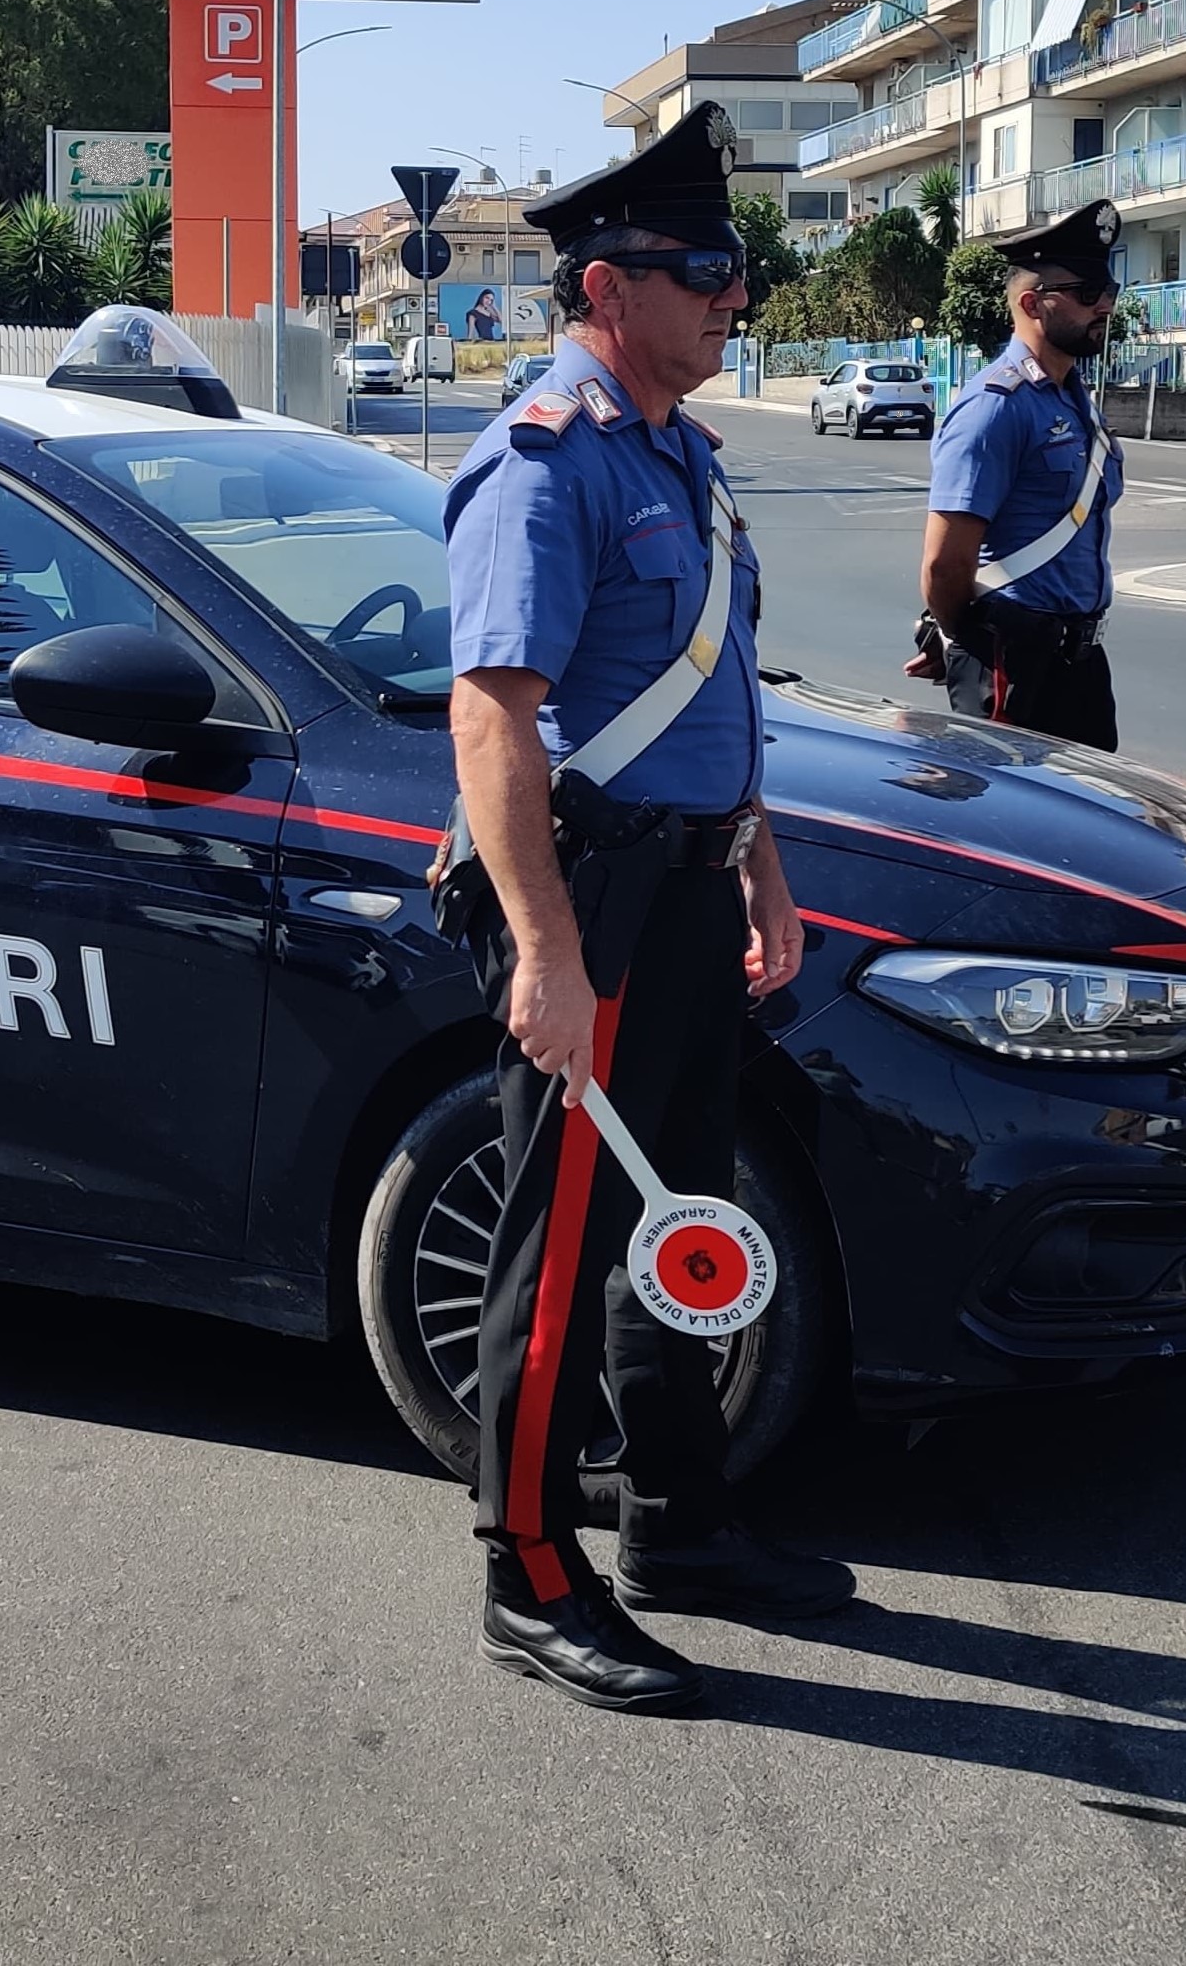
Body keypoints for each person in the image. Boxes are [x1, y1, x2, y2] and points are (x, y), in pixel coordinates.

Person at [437, 101, 855, 1718]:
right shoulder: (543, 461)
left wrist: (760, 863)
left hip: (682, 892)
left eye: (732, 269)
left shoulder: (679, 456)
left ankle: (676, 1520)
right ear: (606, 287)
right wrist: (546, 951)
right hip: (592, 902)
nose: (732, 296)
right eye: (703, 270)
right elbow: (491, 720)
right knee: (558, 1254)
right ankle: (529, 1572)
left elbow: (715, 696)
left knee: (676, 1225)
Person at [908, 200, 1128, 748]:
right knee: (1005, 801)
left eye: (1108, 290)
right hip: (1011, 660)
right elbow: (945, 564)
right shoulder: (995, 407)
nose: (1105, 305)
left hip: (1080, 661)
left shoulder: (1074, 399)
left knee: (1092, 802)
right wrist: (965, 641)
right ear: (1032, 303)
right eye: (1087, 294)